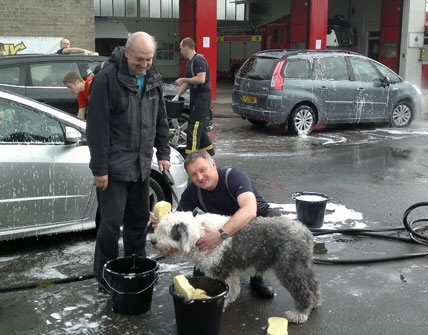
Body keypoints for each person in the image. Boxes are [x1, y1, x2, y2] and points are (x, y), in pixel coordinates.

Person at [86, 31, 172, 293]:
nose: (144, 65)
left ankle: (136, 268)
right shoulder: (107, 79)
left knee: (137, 223)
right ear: (126, 53)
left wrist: (164, 152)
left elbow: (161, 118)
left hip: (142, 165)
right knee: (110, 226)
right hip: (113, 169)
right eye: (139, 60)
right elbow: (97, 128)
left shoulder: (153, 77)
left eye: (148, 59)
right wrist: (99, 169)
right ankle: (106, 277)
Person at [177, 149, 282, 299]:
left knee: (274, 219)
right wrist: (160, 222)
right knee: (202, 282)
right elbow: (178, 217)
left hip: (253, 224)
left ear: (213, 164)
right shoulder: (193, 191)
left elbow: (249, 210)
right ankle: (226, 276)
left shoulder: (233, 177)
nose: (200, 177)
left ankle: (257, 274)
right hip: (223, 229)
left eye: (202, 170)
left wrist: (220, 235)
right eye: (193, 174)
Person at [172, 37, 215, 156]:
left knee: (193, 127)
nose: (181, 51)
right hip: (195, 97)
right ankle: (209, 153)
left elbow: (201, 79)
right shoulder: (190, 63)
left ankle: (191, 156)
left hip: (203, 97)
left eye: (181, 49)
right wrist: (177, 95)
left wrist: (183, 79)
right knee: (199, 129)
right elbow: (187, 83)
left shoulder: (199, 60)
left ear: (186, 47)